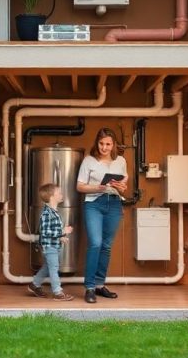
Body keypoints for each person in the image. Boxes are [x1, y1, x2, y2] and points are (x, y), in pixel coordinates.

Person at [76, 127, 128, 304]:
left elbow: (123, 185)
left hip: (114, 203)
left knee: (106, 246)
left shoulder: (120, 161)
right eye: (101, 143)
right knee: (96, 243)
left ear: (113, 145)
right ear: (96, 143)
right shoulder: (89, 161)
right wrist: (98, 187)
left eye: (108, 144)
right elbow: (80, 186)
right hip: (94, 204)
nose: (104, 147)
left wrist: (121, 188)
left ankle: (99, 285)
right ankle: (89, 287)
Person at [28, 183, 74, 301]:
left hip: (54, 245)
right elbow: (45, 232)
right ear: (52, 196)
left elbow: (52, 231)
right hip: (49, 247)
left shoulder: (54, 212)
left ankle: (34, 284)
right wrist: (63, 231)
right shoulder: (47, 214)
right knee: (53, 268)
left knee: (48, 267)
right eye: (59, 193)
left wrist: (61, 237)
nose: (62, 194)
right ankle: (58, 292)